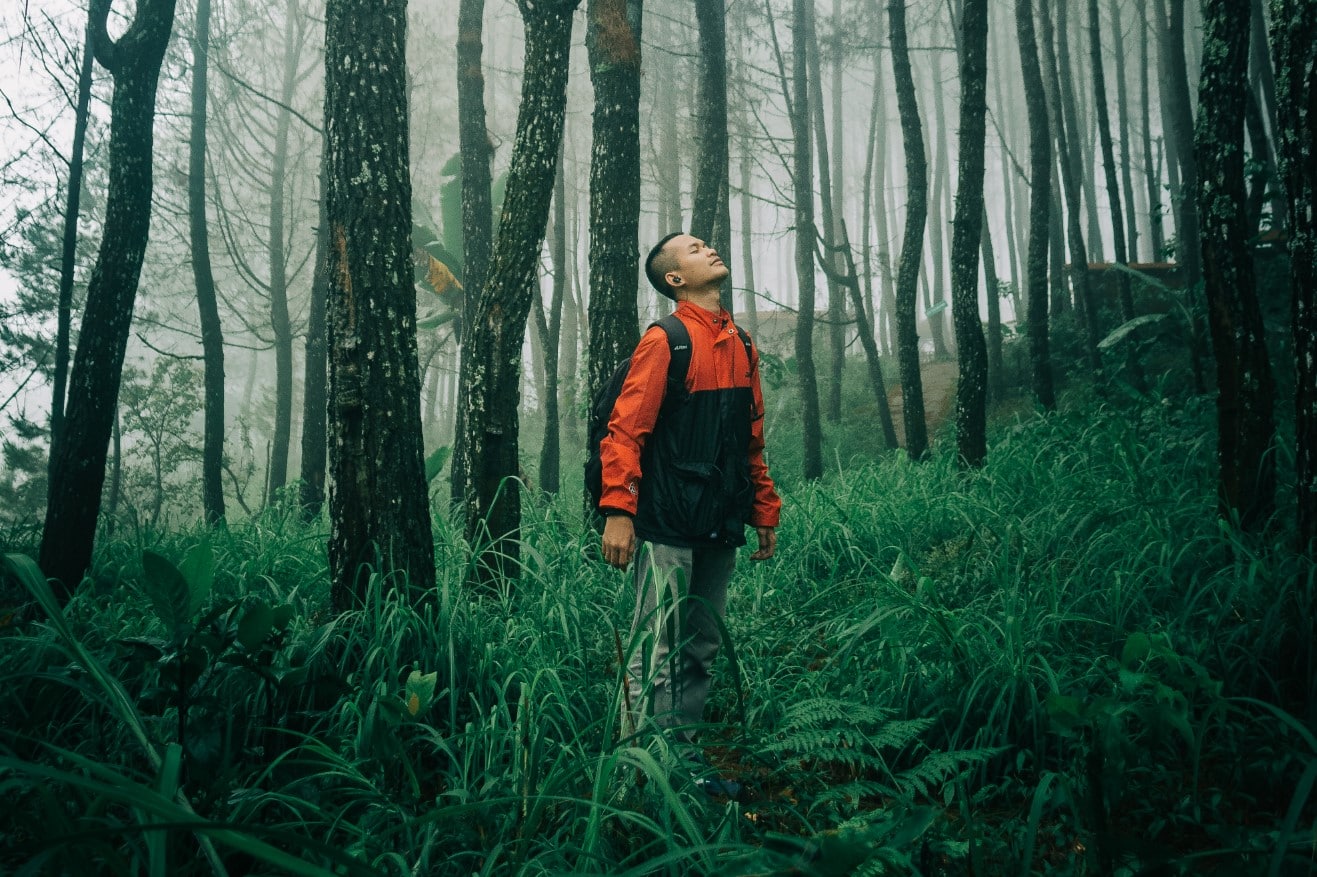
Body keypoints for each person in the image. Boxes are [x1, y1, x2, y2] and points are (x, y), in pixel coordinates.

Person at [598, 232, 781, 786]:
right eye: (696, 248)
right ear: (674, 278)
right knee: (655, 645)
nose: (711, 249)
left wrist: (763, 508)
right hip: (667, 521)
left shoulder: (742, 343)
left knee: (699, 646)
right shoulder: (667, 340)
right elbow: (625, 430)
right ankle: (640, 777)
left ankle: (683, 764)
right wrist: (619, 511)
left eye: (707, 244)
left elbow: (750, 438)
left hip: (720, 521)